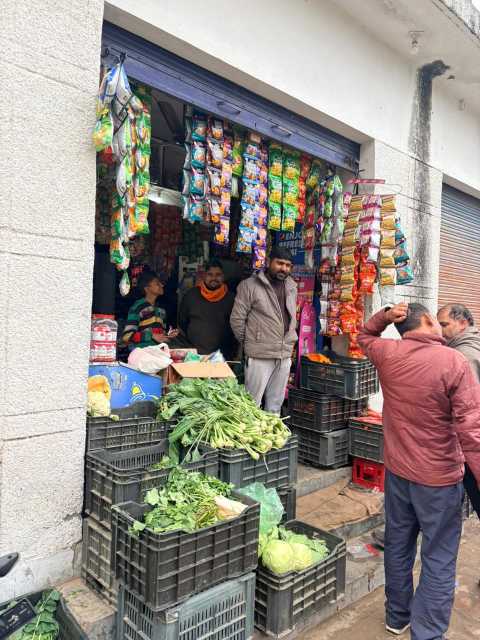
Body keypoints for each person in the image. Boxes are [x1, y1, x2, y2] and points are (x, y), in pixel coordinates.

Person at [358, 302, 480, 640]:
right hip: (439, 479)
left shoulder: (387, 352)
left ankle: (397, 616)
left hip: (398, 473)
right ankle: (426, 633)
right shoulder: (453, 361)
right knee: (438, 556)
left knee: (398, 545)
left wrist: (384, 317)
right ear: (427, 320)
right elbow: (472, 432)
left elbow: (364, 335)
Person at [230, 246, 297, 413]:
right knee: (251, 405)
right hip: (259, 355)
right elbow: (237, 320)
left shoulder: (291, 286)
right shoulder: (249, 285)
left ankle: (272, 431)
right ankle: (250, 432)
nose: (284, 268)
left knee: (275, 406)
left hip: (283, 355)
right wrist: (252, 342)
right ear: (268, 262)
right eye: (279, 263)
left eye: (288, 265)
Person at [437, 303, 480, 530]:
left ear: (463, 323)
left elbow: (468, 412)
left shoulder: (464, 356)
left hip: (470, 444)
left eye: (444, 324)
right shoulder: (472, 344)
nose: (440, 331)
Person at [178, 259, 236, 358]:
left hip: (221, 355)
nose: (214, 278)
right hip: (194, 354)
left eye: (218, 275)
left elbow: (235, 326)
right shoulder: (191, 295)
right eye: (210, 274)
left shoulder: (231, 298)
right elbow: (182, 321)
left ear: (223, 276)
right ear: (204, 276)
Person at [122, 271, 179, 350]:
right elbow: (127, 336)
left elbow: (159, 336)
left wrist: (168, 335)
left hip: (158, 352)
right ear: (147, 288)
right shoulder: (138, 307)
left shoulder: (161, 310)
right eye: (157, 283)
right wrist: (151, 336)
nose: (162, 285)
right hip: (142, 353)